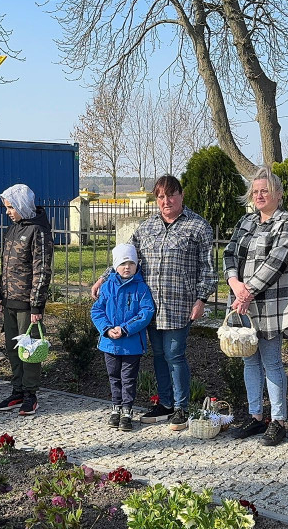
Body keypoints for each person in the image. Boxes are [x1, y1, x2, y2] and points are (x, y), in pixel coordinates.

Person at [89, 175, 217, 432]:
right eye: (160, 196)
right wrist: (104, 277)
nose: (166, 201)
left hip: (179, 304)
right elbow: (125, 257)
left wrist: (201, 298)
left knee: (175, 355)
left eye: (171, 195)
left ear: (181, 195)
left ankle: (182, 407)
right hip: (147, 307)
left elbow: (209, 268)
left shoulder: (198, 227)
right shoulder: (146, 228)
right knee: (158, 356)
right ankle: (166, 404)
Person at [223, 166, 288, 447]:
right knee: (249, 360)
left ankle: (278, 420)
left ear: (278, 195)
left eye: (264, 190)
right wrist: (235, 283)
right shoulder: (245, 221)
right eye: (255, 191)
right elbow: (229, 253)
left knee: (271, 362)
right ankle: (256, 416)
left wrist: (248, 291)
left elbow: (276, 263)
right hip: (242, 302)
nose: (258, 195)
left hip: (270, 303)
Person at [0, 184, 54, 416]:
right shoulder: (14, 229)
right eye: (7, 207)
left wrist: (37, 305)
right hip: (10, 301)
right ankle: (17, 390)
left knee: (28, 350)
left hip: (28, 305)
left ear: (21, 205)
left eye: (10, 207)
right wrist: (1, 294)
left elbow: (42, 270)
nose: (8, 212)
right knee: (12, 348)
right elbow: (5, 265)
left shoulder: (38, 232)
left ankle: (30, 394)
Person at [91, 243, 156, 432]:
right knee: (113, 376)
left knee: (128, 378)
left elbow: (146, 312)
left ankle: (127, 410)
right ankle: (116, 407)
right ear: (115, 266)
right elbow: (97, 310)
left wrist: (126, 329)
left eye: (131, 263)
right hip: (110, 342)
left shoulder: (141, 287)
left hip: (131, 343)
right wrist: (106, 328)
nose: (127, 267)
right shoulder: (108, 286)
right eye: (122, 263)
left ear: (136, 265)